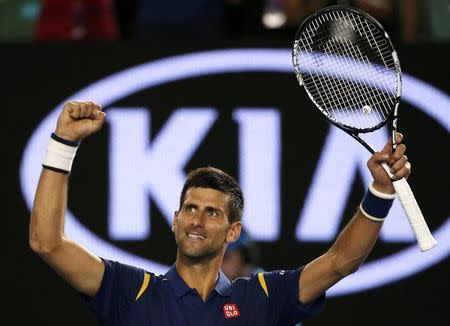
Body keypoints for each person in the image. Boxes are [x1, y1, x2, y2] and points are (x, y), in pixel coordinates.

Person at [29, 101, 411, 325]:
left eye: (212, 213)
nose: (197, 220)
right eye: (191, 209)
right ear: (175, 219)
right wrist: (63, 144)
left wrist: (380, 190)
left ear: (233, 232)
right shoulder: (129, 291)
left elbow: (341, 261)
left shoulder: (263, 296)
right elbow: (47, 243)